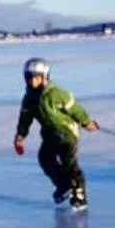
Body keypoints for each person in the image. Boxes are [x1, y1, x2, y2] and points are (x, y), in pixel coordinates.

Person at [14, 58, 99, 210]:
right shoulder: (29, 100)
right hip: (49, 135)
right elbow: (24, 120)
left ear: (44, 77)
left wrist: (86, 122)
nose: (31, 81)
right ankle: (64, 184)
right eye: (28, 77)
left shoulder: (58, 95)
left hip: (67, 134)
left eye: (35, 77)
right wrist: (20, 136)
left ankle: (79, 194)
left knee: (69, 164)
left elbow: (76, 110)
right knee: (45, 159)